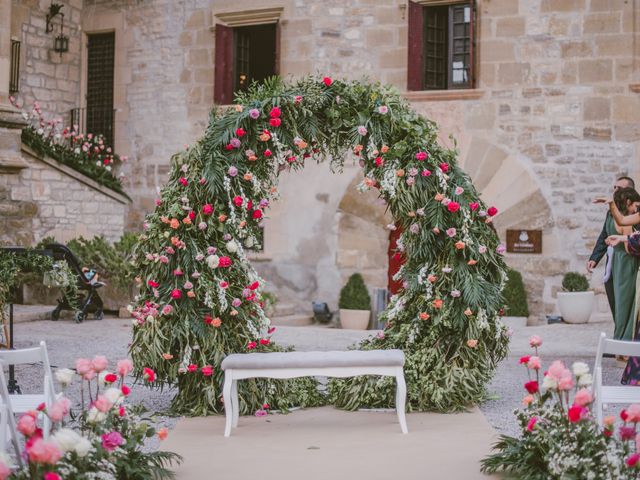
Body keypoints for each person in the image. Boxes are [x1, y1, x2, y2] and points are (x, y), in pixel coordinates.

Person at [593, 188, 640, 342]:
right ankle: (623, 345)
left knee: (624, 305)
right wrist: (612, 204)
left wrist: (624, 239)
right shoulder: (631, 216)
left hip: (623, 263)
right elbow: (622, 221)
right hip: (625, 263)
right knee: (626, 305)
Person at [587, 176, 636, 316]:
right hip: (613, 263)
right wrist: (594, 258)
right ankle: (618, 332)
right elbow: (604, 235)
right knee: (614, 300)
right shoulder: (611, 212)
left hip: (628, 263)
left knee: (626, 304)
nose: (615, 190)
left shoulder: (635, 212)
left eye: (619, 188)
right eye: (614, 187)